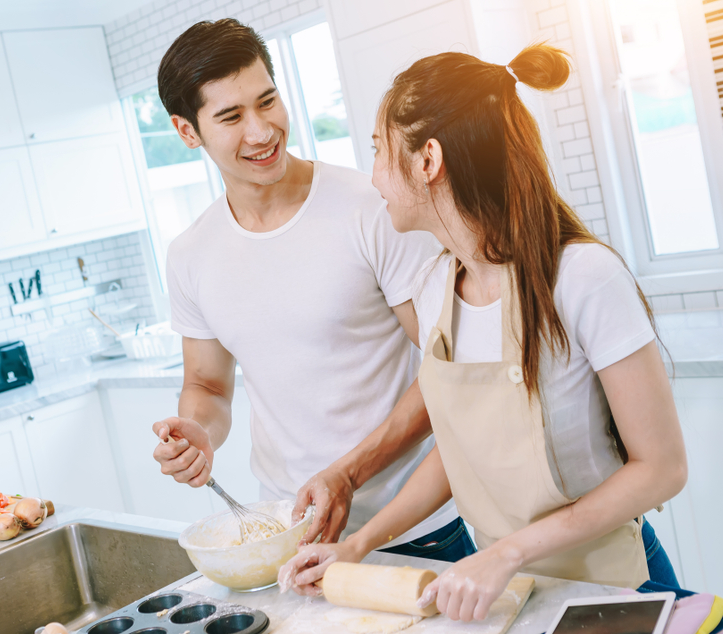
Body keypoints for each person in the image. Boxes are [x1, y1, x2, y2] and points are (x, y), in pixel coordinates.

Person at [280, 44, 688, 621]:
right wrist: (355, 547)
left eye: (377, 150)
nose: (372, 176)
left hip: (614, 589)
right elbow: (462, 448)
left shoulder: (582, 278)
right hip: (510, 595)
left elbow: (663, 467)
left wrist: (508, 552)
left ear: (428, 159)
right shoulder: (434, 289)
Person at [149, 18, 476, 561]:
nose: (261, 131)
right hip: (288, 535)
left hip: (416, 529)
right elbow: (207, 386)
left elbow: (449, 368)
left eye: (268, 101)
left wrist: (349, 475)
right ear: (187, 131)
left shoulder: (371, 208)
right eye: (231, 116)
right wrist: (199, 432)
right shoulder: (190, 254)